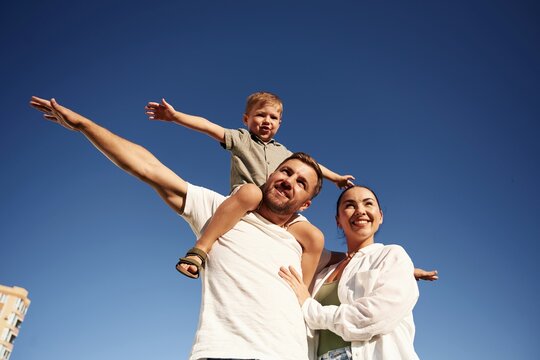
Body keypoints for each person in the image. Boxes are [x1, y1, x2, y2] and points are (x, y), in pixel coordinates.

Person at [30, 95, 324, 359]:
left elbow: (358, 264)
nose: (289, 181)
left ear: (306, 204)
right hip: (226, 352)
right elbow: (148, 167)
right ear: (272, 174)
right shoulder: (221, 212)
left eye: (302, 183)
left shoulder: (304, 245)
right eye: (286, 171)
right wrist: (84, 125)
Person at [145, 92, 354, 285]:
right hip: (247, 198)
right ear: (246, 119)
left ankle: (302, 292)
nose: (267, 121)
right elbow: (208, 126)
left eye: (273, 118)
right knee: (252, 192)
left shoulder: (283, 152)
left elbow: (314, 167)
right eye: (260, 115)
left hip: (278, 206)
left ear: (279, 123)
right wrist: (175, 116)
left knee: (315, 236)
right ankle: (201, 248)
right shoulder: (240, 138)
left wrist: (336, 178)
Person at [279, 185, 421, 360]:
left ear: (380, 216)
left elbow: (371, 318)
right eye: (350, 205)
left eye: (368, 204)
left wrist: (310, 307)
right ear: (338, 220)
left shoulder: (392, 255)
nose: (360, 211)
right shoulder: (324, 271)